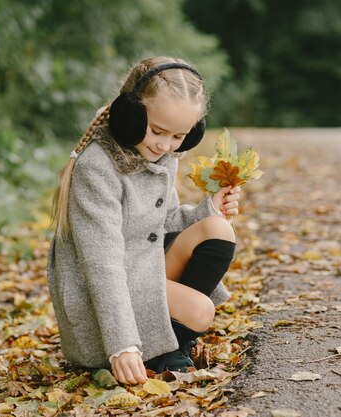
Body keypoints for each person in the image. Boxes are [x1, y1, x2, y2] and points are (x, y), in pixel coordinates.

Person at [46, 56, 240, 385]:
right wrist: (121, 345)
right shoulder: (97, 167)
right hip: (101, 303)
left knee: (218, 229)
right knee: (201, 311)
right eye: (158, 131)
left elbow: (163, 222)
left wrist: (209, 209)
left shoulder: (163, 156)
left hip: (142, 267)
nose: (166, 145)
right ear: (131, 115)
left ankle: (167, 342)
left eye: (179, 136)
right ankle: (151, 350)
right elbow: (102, 264)